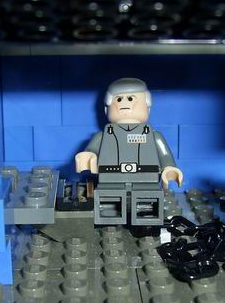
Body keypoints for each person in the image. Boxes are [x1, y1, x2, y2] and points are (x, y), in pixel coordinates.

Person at [75, 78, 183, 225]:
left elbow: (164, 155)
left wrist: (169, 168)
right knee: (109, 212)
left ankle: (144, 224)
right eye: (118, 99)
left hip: (147, 180)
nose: (124, 103)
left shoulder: (152, 135)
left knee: (147, 211)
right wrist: (88, 155)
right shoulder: (103, 135)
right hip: (110, 180)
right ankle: (111, 224)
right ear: (107, 109)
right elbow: (92, 149)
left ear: (148, 108)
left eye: (131, 98)